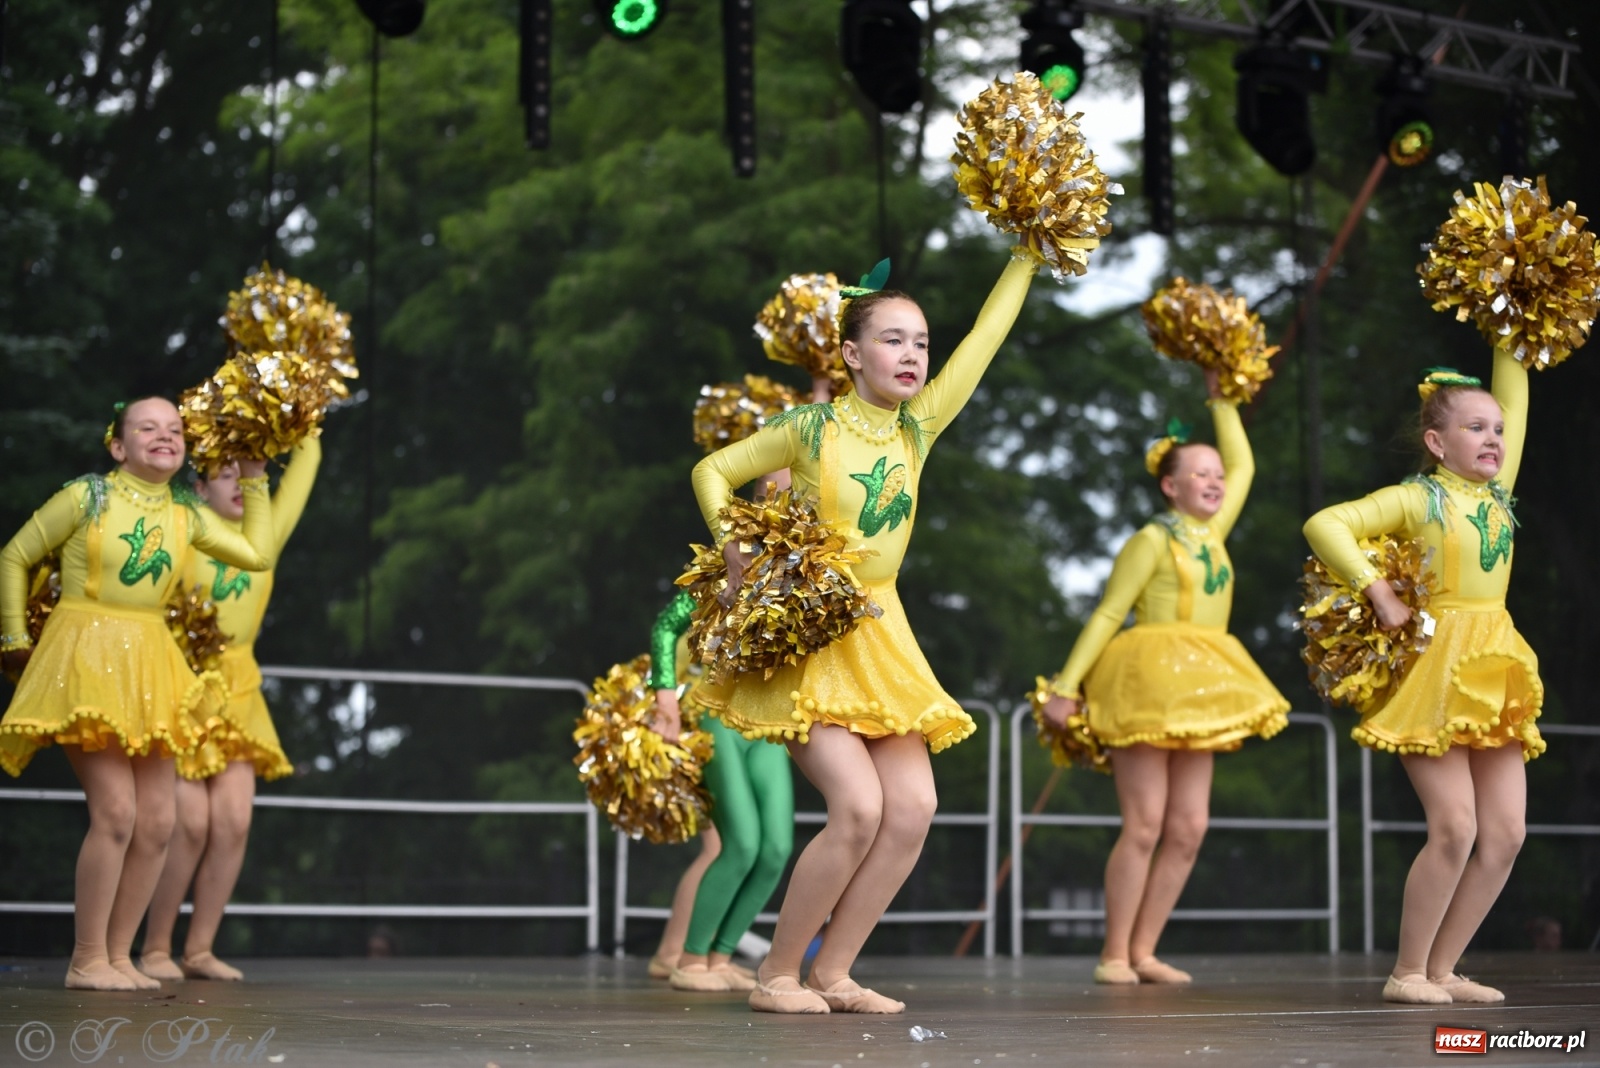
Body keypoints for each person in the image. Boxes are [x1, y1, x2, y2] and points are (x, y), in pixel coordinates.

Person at [690, 250, 1038, 1014]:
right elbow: (713, 471)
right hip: (812, 638)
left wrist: (1025, 256)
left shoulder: (920, 428)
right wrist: (736, 546)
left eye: (919, 342)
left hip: (883, 637)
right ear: (851, 354)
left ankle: (832, 974)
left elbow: (986, 335)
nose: (912, 354)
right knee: (858, 809)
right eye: (893, 339)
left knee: (913, 809)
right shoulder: (809, 429)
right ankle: (775, 975)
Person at [0, 397, 275, 991]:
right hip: (87, 655)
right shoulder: (87, 496)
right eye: (147, 427)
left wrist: (254, 482)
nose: (165, 435)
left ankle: (119, 958)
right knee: (118, 811)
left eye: (175, 429)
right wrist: (14, 638)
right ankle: (86, 959)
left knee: (158, 819)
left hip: (152, 663)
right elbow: (14, 555)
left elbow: (258, 554)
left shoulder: (187, 515)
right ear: (118, 447)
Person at [1303, 356, 1541, 1004]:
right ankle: (1407, 971)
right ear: (1437, 443)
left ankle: (1443, 971)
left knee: (1507, 834)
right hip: (1434, 670)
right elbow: (1326, 524)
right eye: (1475, 427)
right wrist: (1377, 590)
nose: (1494, 438)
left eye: (1497, 429)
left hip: (1495, 665)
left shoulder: (1498, 493)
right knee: (1455, 827)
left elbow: (1514, 396)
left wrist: (1510, 309)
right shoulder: (1419, 497)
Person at [1041, 370, 1288, 985]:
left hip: (1203, 687)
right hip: (1148, 682)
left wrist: (1224, 391)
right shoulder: (1152, 539)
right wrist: (1067, 686)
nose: (1214, 480)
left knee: (1189, 827)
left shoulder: (1214, 533)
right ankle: (1114, 955)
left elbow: (1246, 467)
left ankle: (1146, 950)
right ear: (1169, 486)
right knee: (1146, 823)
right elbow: (1107, 611)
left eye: (1216, 474)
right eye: (1198, 473)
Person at [139, 437, 322, 983]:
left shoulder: (266, 532)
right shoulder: (184, 525)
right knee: (189, 823)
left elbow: (306, 462)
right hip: (183, 687)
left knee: (235, 820)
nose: (240, 484)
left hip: (239, 691)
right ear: (198, 488)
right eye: (226, 475)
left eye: (248, 475)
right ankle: (154, 949)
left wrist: (293, 401)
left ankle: (199, 950)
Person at [653, 588, 795, 994]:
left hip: (770, 725)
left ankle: (721, 958)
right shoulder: (725, 574)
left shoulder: (805, 571)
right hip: (719, 719)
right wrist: (666, 698)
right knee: (741, 845)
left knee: (776, 851)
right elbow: (666, 627)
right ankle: (691, 959)